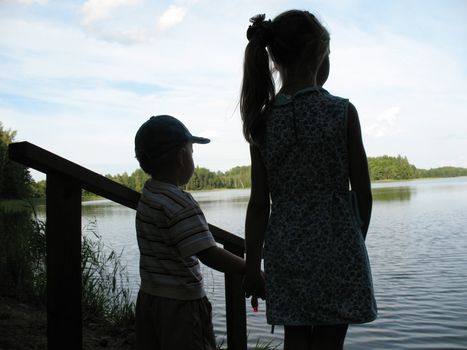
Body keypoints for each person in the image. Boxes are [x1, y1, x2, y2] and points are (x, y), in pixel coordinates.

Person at [240, 10, 377, 350]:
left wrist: (252, 267)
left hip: (285, 250)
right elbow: (363, 193)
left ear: (274, 58)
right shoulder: (343, 112)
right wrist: (353, 242)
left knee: (296, 340)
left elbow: (259, 205)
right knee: (330, 341)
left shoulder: (263, 121)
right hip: (339, 247)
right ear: (319, 55)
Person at [134, 115, 246, 350]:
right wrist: (250, 269)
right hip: (181, 305)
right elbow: (208, 253)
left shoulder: (149, 194)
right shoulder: (181, 202)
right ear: (181, 157)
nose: (193, 158)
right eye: (192, 152)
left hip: (149, 298)